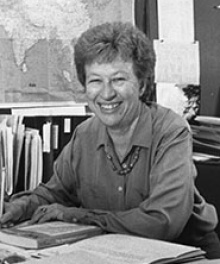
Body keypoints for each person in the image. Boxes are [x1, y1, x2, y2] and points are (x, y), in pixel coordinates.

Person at [1, 22, 220, 259]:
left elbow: (162, 222)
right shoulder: (84, 134)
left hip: (186, 253)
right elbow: (54, 194)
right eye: (96, 81)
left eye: (118, 80)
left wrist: (79, 215)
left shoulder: (171, 131)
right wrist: (16, 208)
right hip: (113, 253)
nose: (106, 94)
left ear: (142, 85)